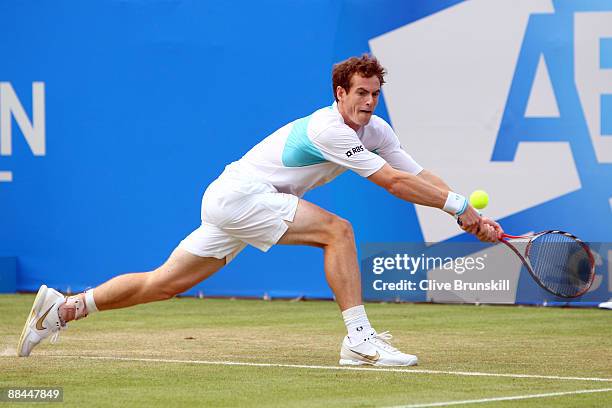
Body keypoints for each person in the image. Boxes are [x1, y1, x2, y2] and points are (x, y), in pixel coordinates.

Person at [18, 54, 502, 365]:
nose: (369, 102)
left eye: (375, 94)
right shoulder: (328, 128)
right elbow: (395, 184)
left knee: (162, 284)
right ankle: (359, 340)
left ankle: (63, 309)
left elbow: (417, 175)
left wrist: (466, 213)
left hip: (237, 199)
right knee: (338, 231)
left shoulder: (376, 130)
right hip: (242, 195)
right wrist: (460, 207)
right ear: (340, 93)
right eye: (360, 93)